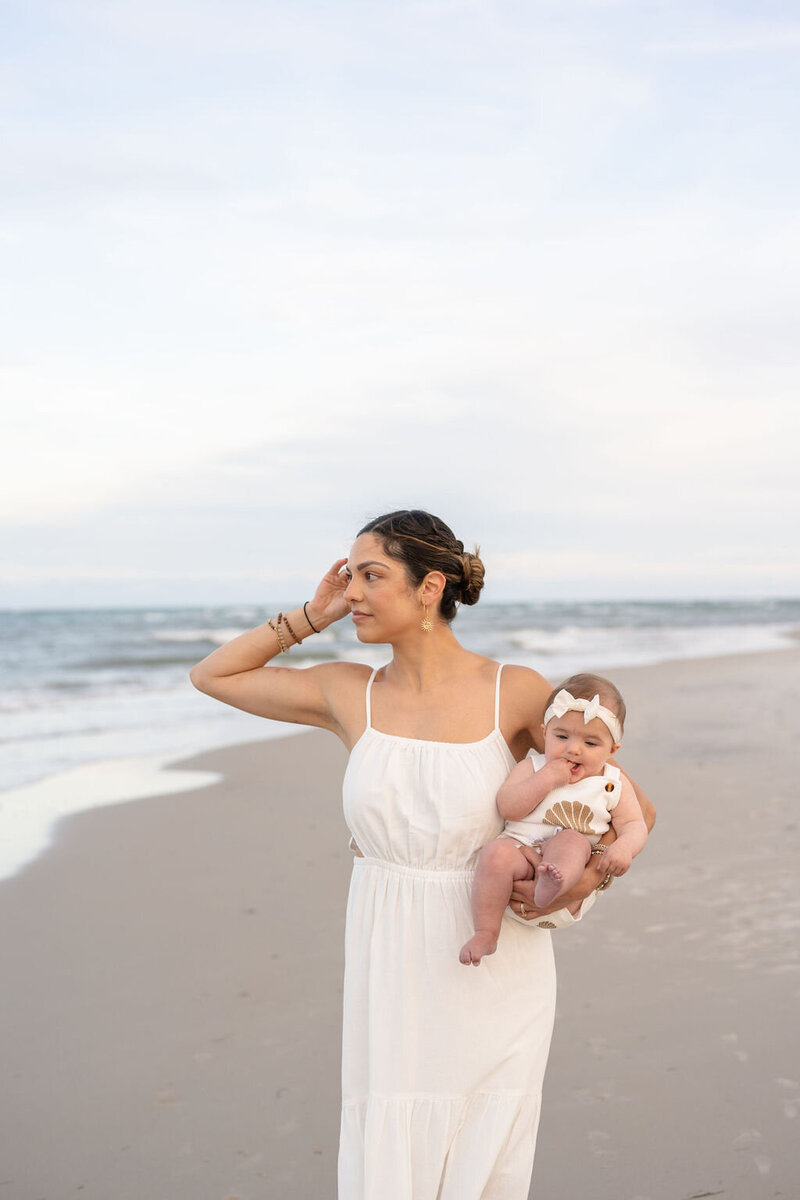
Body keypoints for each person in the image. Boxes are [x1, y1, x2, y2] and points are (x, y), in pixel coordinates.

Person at [189, 509, 655, 1200]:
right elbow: (212, 676)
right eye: (349, 577)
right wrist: (310, 618)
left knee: (482, 1141)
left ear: (430, 586)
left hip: (495, 956)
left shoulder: (517, 692)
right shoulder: (348, 691)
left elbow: (629, 809)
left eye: (371, 576)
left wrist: (585, 882)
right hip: (391, 948)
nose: (353, 592)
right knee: (394, 1143)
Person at [459, 673, 648, 965]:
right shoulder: (533, 767)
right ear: (544, 732)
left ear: (612, 751)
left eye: (591, 743)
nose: (573, 749)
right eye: (562, 737)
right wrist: (546, 779)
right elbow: (508, 806)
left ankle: (551, 881)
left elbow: (635, 824)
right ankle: (486, 932)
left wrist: (623, 848)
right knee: (496, 852)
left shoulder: (612, 782)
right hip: (519, 867)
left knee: (572, 839)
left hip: (567, 891)